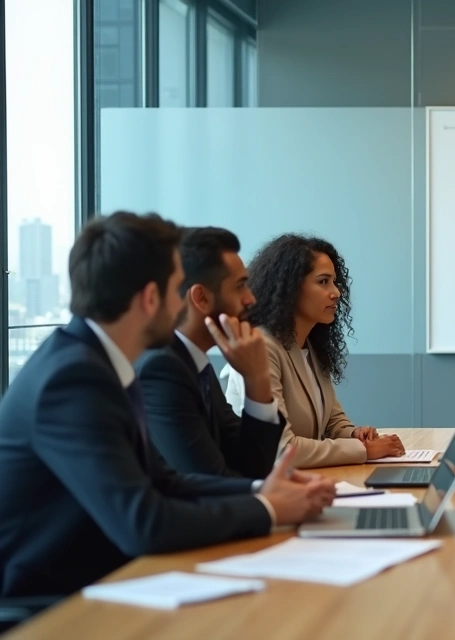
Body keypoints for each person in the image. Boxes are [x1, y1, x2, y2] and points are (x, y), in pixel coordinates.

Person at [0, 212, 334, 600]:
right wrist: (269, 508)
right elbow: (143, 523)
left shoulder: (100, 363)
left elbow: (164, 481)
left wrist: (262, 489)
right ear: (150, 298)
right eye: (177, 288)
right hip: (47, 607)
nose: (183, 303)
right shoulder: (74, 379)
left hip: (98, 585)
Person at [224, 234, 404, 467]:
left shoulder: (311, 345)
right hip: (262, 481)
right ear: (290, 287)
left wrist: (355, 434)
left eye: (334, 282)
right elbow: (281, 449)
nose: (336, 292)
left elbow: (331, 421)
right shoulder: (261, 347)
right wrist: (363, 450)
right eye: (323, 282)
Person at [136, 227, 283, 478]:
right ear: (201, 298)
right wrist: (257, 377)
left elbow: (249, 466)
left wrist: (257, 381)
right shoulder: (161, 369)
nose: (251, 299)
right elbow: (210, 481)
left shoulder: (196, 363)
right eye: (240, 286)